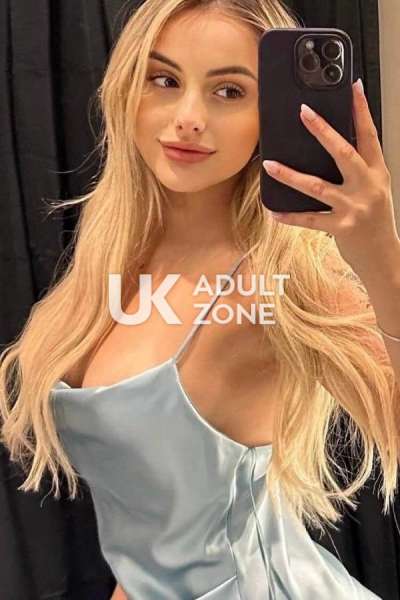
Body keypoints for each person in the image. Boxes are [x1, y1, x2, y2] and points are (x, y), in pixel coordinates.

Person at [1, 0, 400, 598]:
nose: (188, 118)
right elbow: (151, 535)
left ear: (269, 115)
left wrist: (380, 255)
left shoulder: (278, 278)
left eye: (229, 92)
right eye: (164, 80)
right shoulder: (115, 259)